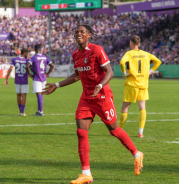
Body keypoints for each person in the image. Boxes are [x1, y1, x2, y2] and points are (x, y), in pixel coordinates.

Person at [43, 24, 144, 184]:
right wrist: (57, 85)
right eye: (76, 32)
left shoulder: (97, 50)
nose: (78, 34)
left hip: (102, 96)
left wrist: (100, 85)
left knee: (114, 130)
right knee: (81, 132)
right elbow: (76, 76)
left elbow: (110, 71)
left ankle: (137, 154)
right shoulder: (75, 53)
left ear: (89, 35)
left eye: (82, 32)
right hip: (86, 97)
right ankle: (86, 174)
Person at [119, 35, 161, 138]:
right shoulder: (146, 54)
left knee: (125, 106)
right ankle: (140, 132)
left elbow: (122, 62)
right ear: (139, 44)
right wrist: (151, 71)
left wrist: (124, 72)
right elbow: (158, 61)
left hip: (132, 83)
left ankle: (119, 130)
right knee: (142, 107)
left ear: (131, 43)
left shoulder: (129, 53)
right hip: (143, 83)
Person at [27, 44, 54, 116]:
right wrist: (47, 74)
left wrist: (30, 74)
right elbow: (52, 65)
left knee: (39, 93)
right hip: (44, 77)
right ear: (40, 50)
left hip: (37, 77)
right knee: (40, 93)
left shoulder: (34, 57)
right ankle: (39, 110)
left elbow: (27, 66)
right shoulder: (45, 57)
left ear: (35, 50)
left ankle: (41, 111)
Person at [5, 48, 30, 116]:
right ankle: (22, 112)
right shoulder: (27, 61)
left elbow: (10, 69)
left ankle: (20, 111)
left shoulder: (15, 59)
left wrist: (6, 78)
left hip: (17, 80)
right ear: (25, 53)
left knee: (18, 95)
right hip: (24, 80)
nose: (27, 54)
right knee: (24, 95)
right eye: (27, 53)